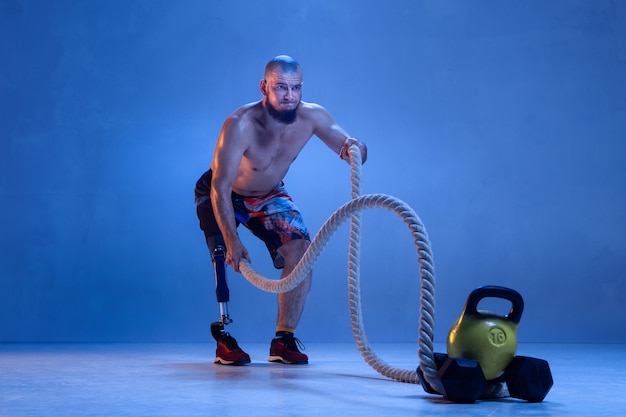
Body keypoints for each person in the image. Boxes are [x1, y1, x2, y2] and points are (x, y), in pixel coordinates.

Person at [194, 55, 367, 366]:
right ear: (264, 87)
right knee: (223, 254)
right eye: (281, 88)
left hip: (269, 194)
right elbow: (220, 187)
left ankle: (283, 339)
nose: (289, 96)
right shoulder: (240, 124)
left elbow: (347, 143)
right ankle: (223, 333)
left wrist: (354, 148)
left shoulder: (312, 116)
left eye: (296, 88)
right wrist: (233, 240)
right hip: (223, 192)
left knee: (302, 251)